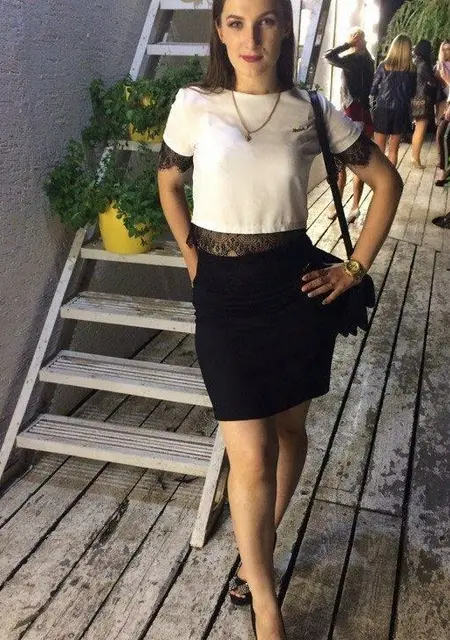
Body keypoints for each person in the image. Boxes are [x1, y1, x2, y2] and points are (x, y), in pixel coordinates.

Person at [157, 1, 403, 638]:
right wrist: (192, 258)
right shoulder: (193, 104)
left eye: (266, 20)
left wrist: (354, 267)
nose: (251, 37)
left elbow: (387, 182)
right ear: (219, 30)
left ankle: (255, 556)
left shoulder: (311, 109)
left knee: (291, 435)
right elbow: (168, 184)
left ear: (286, 28)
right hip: (224, 301)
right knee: (253, 455)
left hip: (295, 294)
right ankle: (267, 608)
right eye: (236, 22)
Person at [324, 28, 375, 223]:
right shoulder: (368, 60)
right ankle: (354, 206)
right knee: (357, 162)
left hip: (352, 112)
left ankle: (339, 205)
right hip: (363, 113)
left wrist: (347, 45)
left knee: (342, 162)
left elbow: (328, 56)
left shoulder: (353, 60)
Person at [370, 34, 417, 168]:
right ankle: (391, 178)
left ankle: (378, 178)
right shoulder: (412, 69)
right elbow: (412, 93)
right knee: (393, 151)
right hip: (401, 111)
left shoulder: (383, 66)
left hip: (382, 109)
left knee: (379, 150)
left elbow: (373, 88)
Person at [411, 39, 439, 168]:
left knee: (418, 129)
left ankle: (414, 157)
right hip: (423, 99)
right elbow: (433, 82)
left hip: (416, 98)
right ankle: (416, 159)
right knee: (420, 130)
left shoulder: (416, 62)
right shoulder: (424, 65)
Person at [435, 40, 450, 187]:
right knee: (441, 134)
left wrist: (446, 79)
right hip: (445, 103)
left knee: (443, 135)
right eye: (443, 49)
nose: (446, 52)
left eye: (448, 49)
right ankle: (442, 166)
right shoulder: (440, 65)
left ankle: (443, 170)